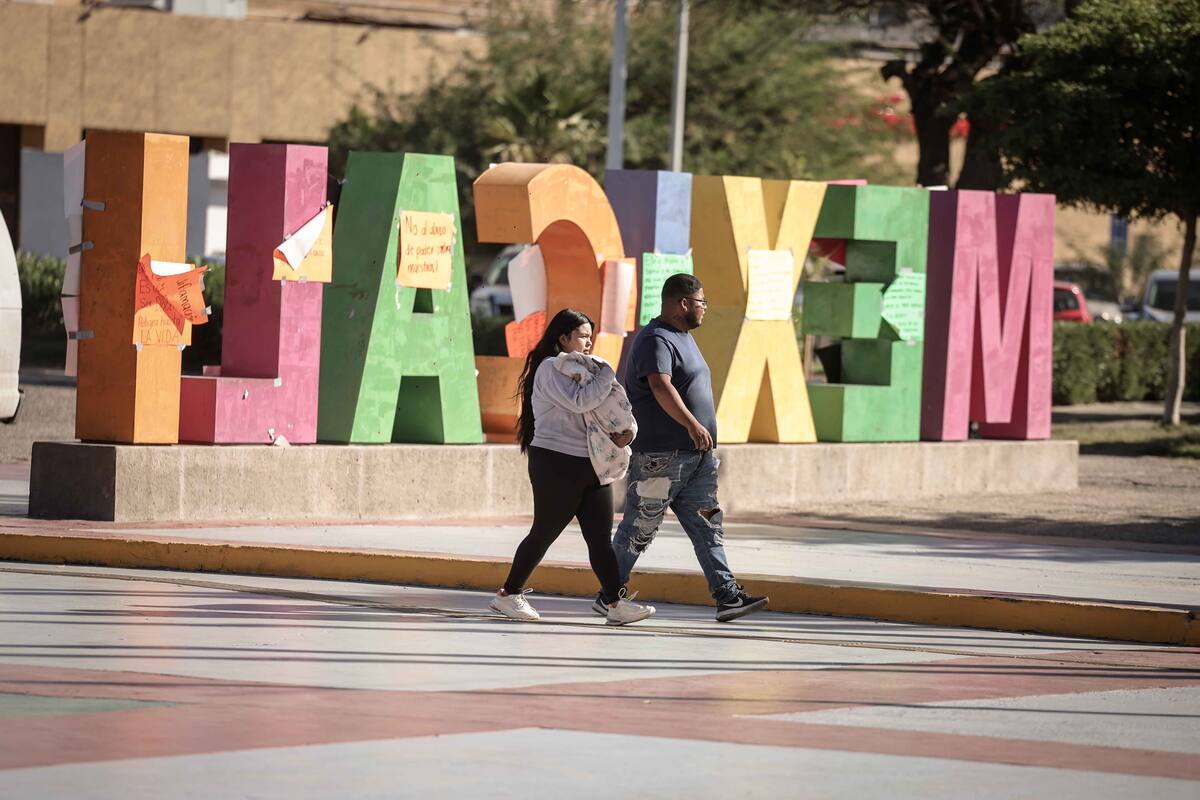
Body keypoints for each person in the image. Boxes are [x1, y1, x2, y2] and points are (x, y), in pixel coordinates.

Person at [601, 274, 769, 622]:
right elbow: (660, 386)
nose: (705, 309)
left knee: (708, 527)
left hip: (696, 459)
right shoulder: (655, 339)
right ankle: (609, 595)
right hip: (662, 457)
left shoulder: (683, 338)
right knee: (638, 527)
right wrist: (693, 424)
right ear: (683, 304)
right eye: (701, 302)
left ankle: (727, 596)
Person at [490, 308, 657, 626]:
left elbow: (611, 407)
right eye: (582, 336)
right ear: (562, 337)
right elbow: (582, 402)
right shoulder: (550, 368)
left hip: (592, 462)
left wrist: (627, 433)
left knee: (599, 538)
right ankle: (508, 595)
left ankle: (614, 602)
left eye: (591, 337)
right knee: (544, 532)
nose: (588, 343)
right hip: (556, 462)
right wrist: (608, 371)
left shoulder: (588, 371)